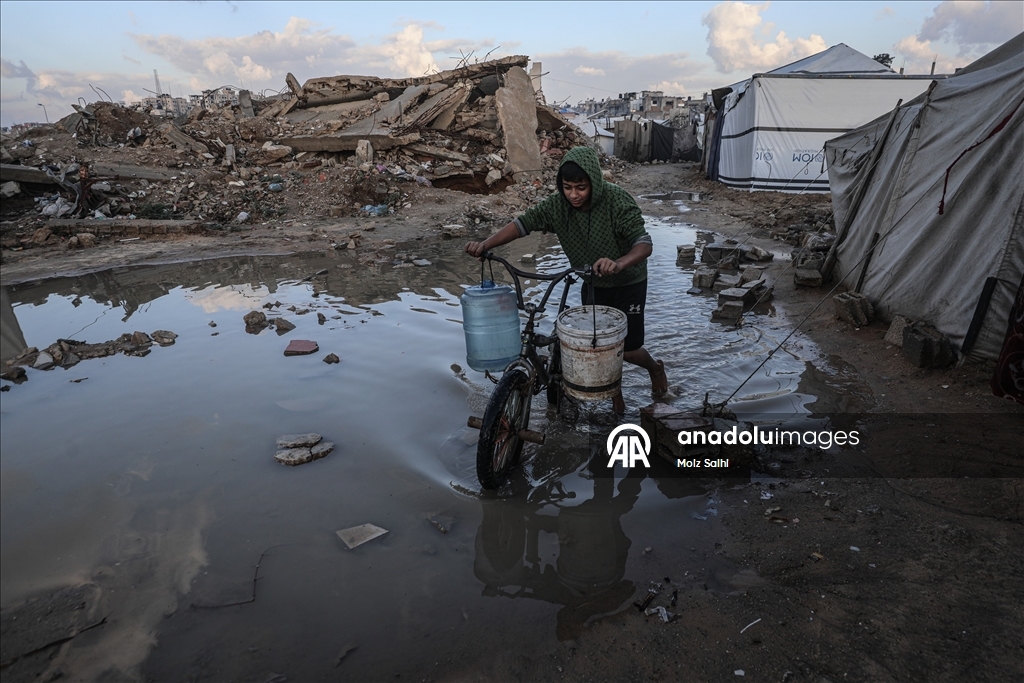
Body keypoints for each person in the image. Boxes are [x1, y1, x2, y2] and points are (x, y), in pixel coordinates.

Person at [465, 146, 668, 413]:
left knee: (627, 349)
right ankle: (615, 397)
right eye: (567, 187)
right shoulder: (558, 206)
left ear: (594, 183)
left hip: (628, 281)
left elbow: (644, 244)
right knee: (595, 345)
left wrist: (618, 263)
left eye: (581, 188)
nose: (573, 195)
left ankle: (654, 368)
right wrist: (485, 244)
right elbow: (523, 224)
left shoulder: (617, 201)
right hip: (592, 281)